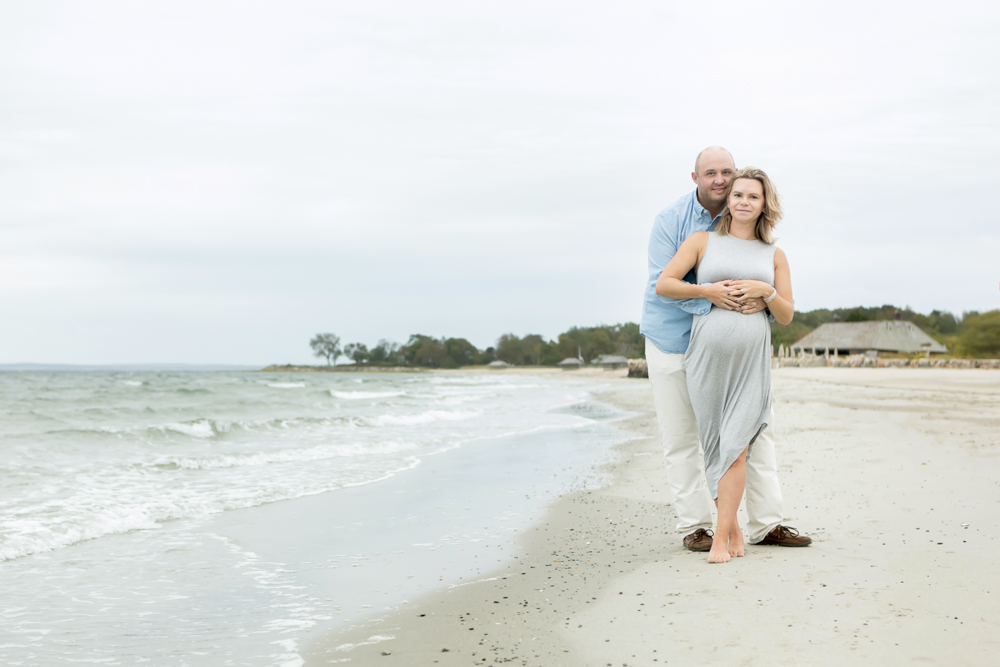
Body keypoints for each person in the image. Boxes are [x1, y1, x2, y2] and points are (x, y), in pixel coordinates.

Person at [639, 147, 810, 555]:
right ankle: (697, 527)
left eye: (727, 173)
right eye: (710, 173)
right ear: (695, 178)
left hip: (742, 356)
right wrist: (709, 295)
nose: (720, 180)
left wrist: (764, 297)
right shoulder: (675, 223)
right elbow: (662, 284)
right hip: (672, 339)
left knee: (754, 436)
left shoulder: (759, 239)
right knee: (683, 437)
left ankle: (766, 524)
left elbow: (778, 302)